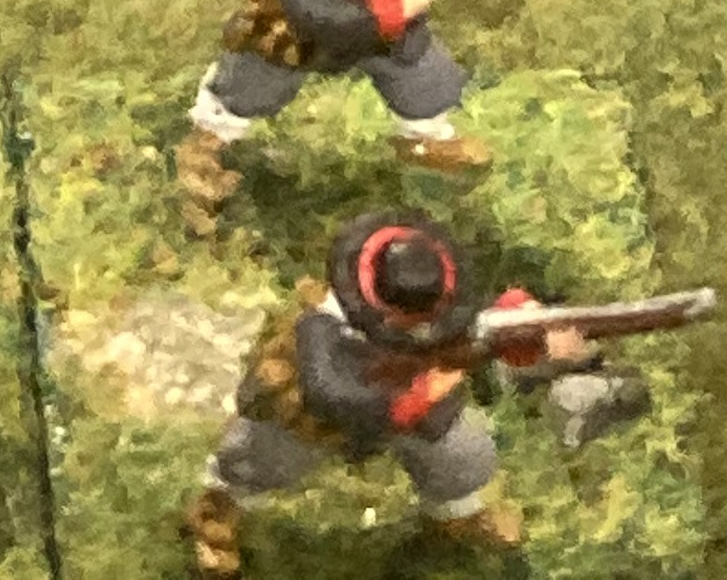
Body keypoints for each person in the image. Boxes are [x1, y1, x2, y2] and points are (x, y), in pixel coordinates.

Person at [182, 215, 590, 573]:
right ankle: (217, 517)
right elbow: (328, 391)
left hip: (417, 410)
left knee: (460, 455)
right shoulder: (323, 326)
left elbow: (479, 330)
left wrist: (525, 325)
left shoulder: (440, 300)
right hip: (310, 416)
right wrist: (417, 397)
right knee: (259, 457)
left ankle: (457, 515)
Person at [176, 0, 551, 234]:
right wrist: (397, 6)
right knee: (250, 86)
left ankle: (427, 139)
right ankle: (208, 142)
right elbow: (316, 15)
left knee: (423, 78)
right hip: (293, 40)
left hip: (384, 40)